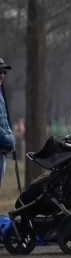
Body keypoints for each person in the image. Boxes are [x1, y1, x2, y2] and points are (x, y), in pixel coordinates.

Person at [0, 58, 15, 194]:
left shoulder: (0, 95)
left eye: (3, 72)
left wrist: (11, 138)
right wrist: (9, 141)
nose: (2, 76)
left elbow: (5, 122)